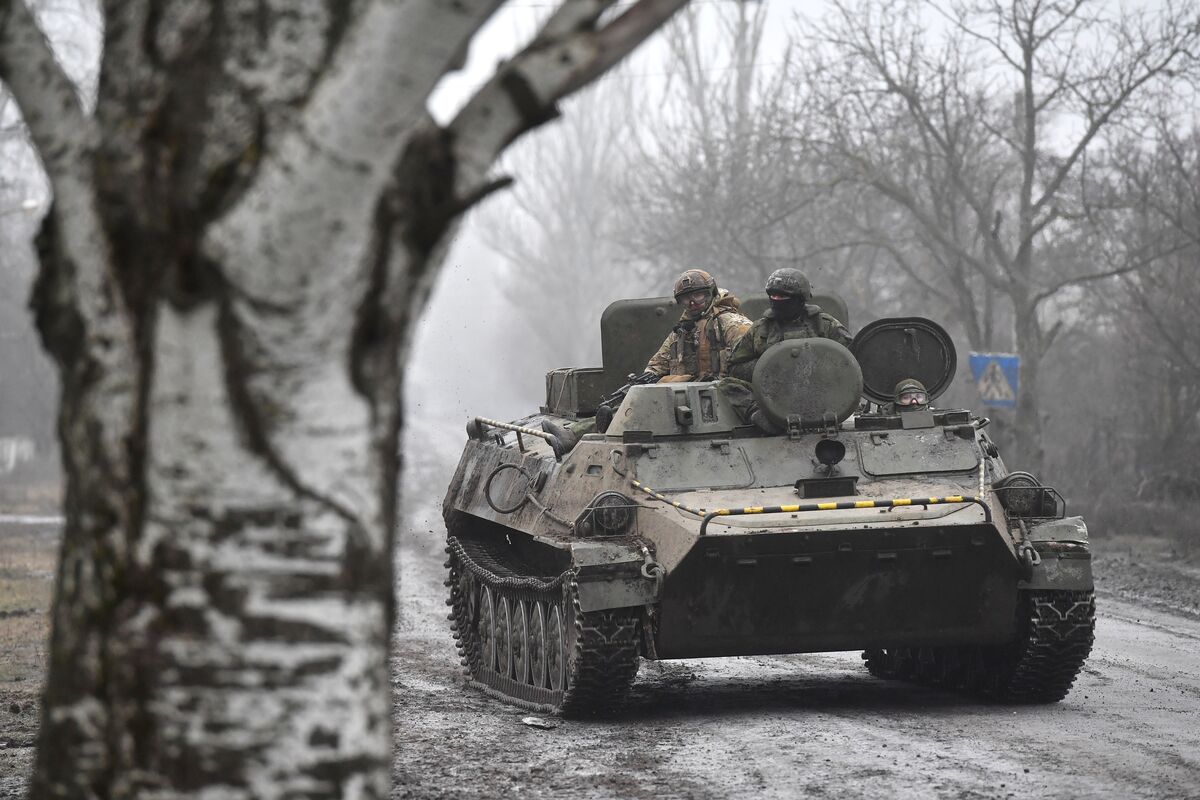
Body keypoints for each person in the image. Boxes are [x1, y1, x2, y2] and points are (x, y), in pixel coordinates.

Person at [542, 269, 751, 451]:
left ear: (710, 294)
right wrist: (648, 377)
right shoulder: (684, 328)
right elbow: (660, 360)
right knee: (632, 400)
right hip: (688, 394)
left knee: (642, 406)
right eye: (687, 298)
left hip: (722, 394)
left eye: (698, 295)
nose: (693, 302)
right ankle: (572, 435)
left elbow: (754, 357)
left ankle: (573, 435)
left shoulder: (731, 323)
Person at [723, 267, 853, 432]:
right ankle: (759, 417)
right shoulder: (760, 329)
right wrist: (770, 367)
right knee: (726, 385)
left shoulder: (825, 325)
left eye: (783, 296)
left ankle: (819, 421)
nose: (777, 300)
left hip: (817, 390)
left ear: (800, 299)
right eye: (773, 296)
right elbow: (734, 368)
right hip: (773, 393)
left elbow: (850, 362)